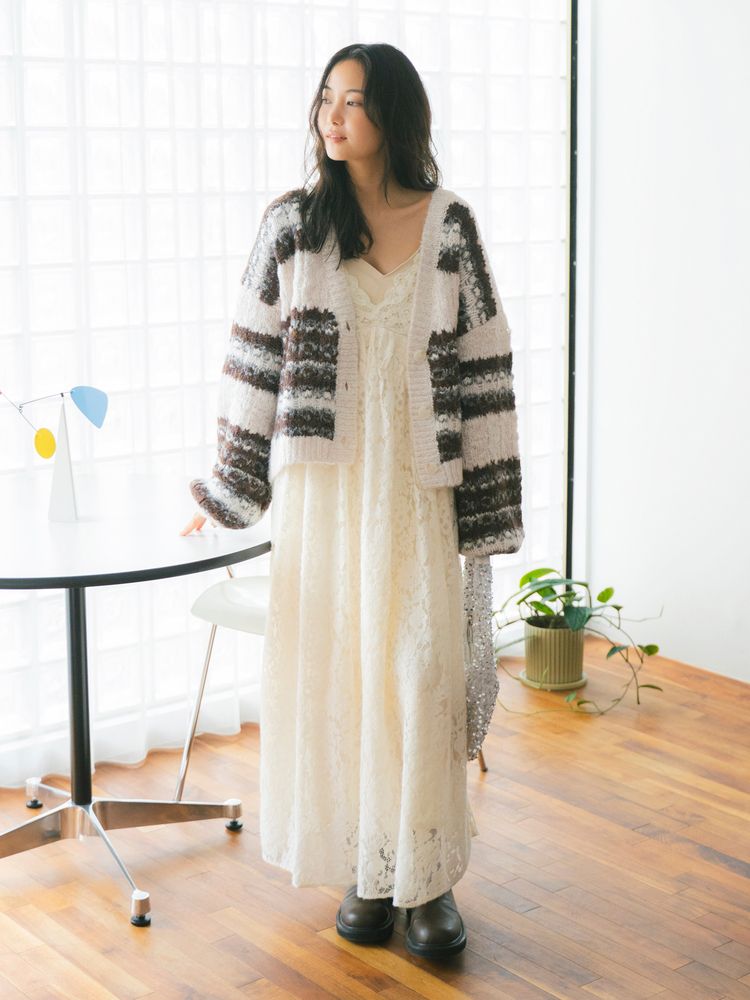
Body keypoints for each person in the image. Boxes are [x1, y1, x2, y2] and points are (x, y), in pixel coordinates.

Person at [181, 43, 524, 960]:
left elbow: (487, 370)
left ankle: (429, 878)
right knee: (340, 679)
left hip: (417, 495)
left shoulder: (450, 226)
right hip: (324, 498)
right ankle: (365, 870)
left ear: (394, 115)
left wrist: (490, 509)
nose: (334, 117)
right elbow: (253, 360)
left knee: (418, 677)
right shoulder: (292, 228)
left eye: (356, 101)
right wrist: (227, 486)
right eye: (327, 98)